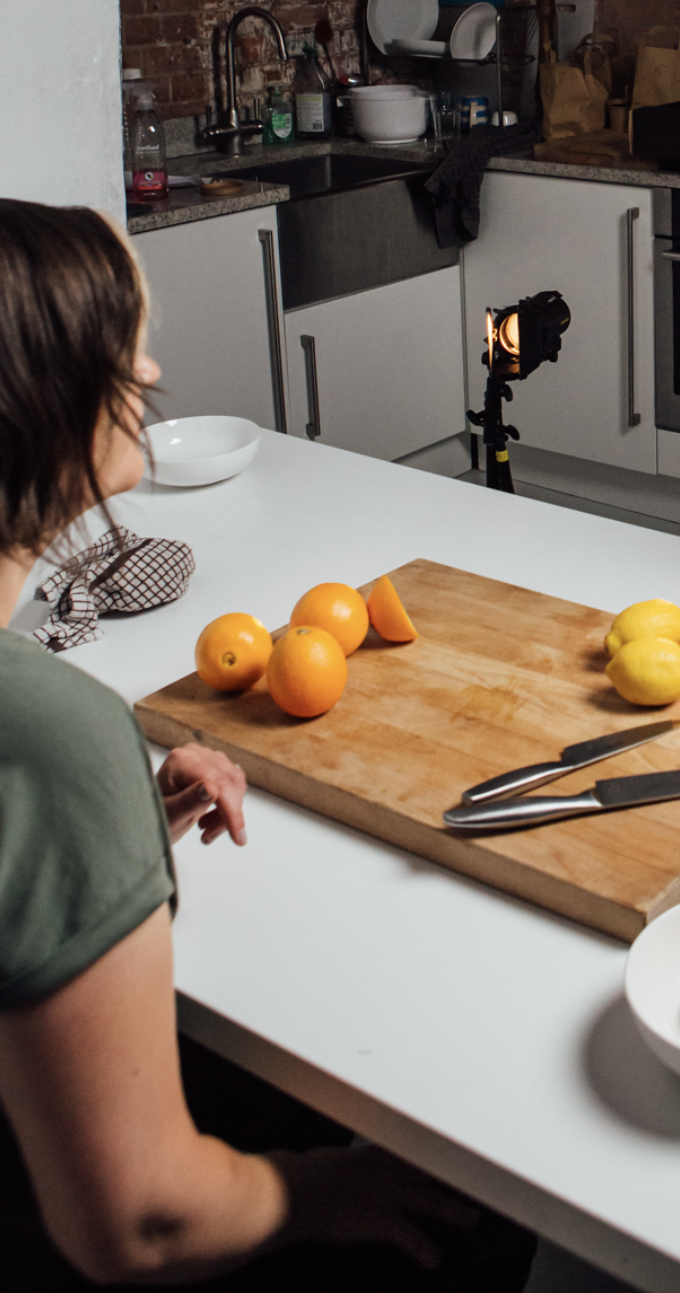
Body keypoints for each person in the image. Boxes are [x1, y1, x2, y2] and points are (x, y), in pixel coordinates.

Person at [0, 198, 506, 1284]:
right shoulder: (51, 733)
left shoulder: (45, 752)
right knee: (480, 1201)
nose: (147, 364)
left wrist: (105, 834)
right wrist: (325, 1187)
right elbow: (142, 1220)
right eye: (120, 342)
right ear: (46, 402)